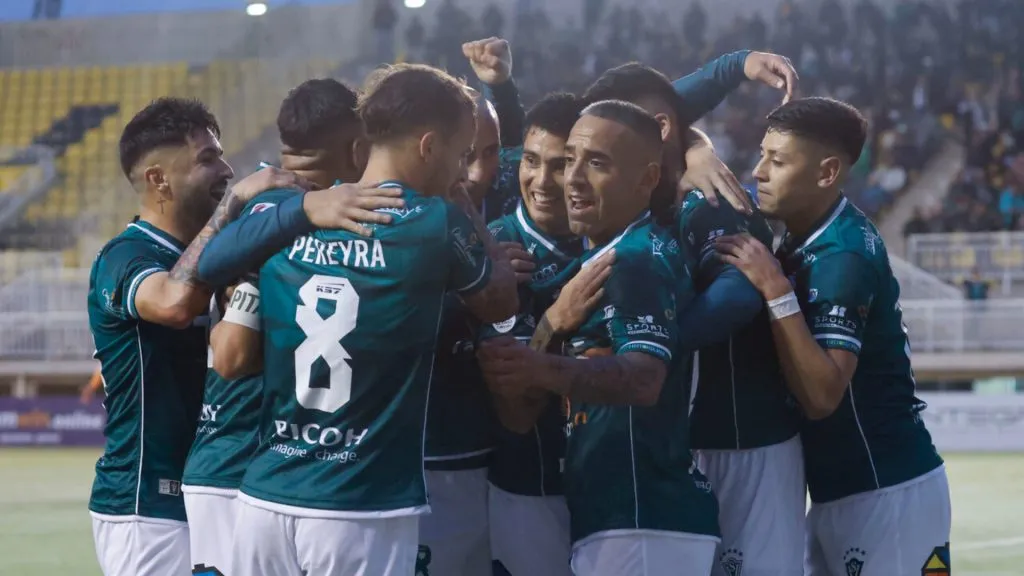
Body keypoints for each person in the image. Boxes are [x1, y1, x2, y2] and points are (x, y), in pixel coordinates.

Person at [226, 63, 518, 576]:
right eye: (461, 154)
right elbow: (499, 305)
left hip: (266, 494)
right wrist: (471, 216)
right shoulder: (433, 222)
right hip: (361, 502)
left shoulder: (290, 212)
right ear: (429, 146)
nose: (464, 170)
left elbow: (205, 274)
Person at [478, 100, 720, 576]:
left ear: (647, 179)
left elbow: (645, 379)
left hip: (643, 519)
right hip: (617, 517)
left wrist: (537, 365)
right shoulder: (601, 254)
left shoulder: (633, 261)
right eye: (571, 160)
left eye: (597, 164)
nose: (572, 179)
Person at [585, 61, 807, 576]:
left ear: (660, 130)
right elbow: (661, 103)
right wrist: (738, 63)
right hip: (680, 448)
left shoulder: (709, 197)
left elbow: (740, 290)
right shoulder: (646, 200)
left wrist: (647, 349)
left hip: (748, 442)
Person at [715, 97, 950, 576]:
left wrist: (777, 290)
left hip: (888, 492)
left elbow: (823, 394)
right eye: (761, 154)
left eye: (777, 161)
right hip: (842, 492)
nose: (758, 171)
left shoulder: (842, 255)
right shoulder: (808, 237)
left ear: (826, 173)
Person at [87, 97, 312, 576]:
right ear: (158, 179)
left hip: (217, 488)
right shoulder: (124, 257)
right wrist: (235, 208)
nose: (227, 170)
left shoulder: (219, 252)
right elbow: (174, 302)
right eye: (208, 159)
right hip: (146, 505)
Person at [181, 78, 384, 575]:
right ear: (358, 148)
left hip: (257, 465)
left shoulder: (259, 202)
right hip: (243, 466)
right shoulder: (280, 215)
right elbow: (231, 358)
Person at [481, 92, 589, 576]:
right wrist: (555, 322)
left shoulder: (619, 240)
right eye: (530, 161)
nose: (541, 181)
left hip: (618, 496)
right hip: (527, 491)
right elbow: (516, 413)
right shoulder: (495, 255)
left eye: (560, 165)